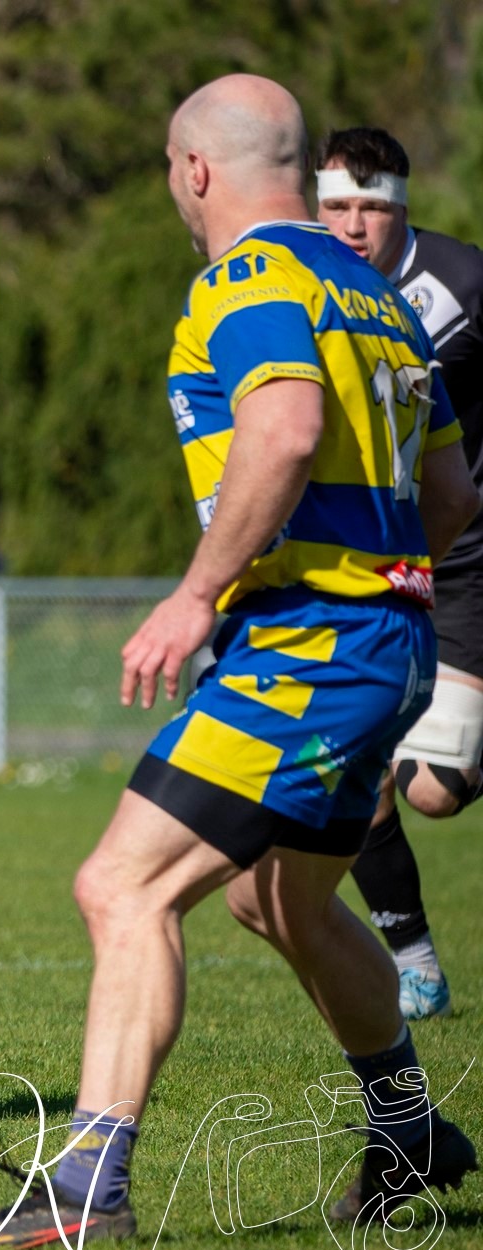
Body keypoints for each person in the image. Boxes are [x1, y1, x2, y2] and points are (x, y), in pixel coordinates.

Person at [0, 75, 477, 1250]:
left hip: (310, 649)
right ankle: (410, 1132)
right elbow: (450, 494)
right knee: (279, 896)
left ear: (193, 171)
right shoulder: (376, 297)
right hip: (388, 637)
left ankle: (87, 1183)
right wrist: (373, 581)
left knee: (120, 887)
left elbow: (279, 427)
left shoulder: (249, 279)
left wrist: (196, 595)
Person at [318, 126, 483, 1022]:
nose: (353, 224)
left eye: (372, 206)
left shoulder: (464, 282)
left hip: (468, 563)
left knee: (431, 787)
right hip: (371, 567)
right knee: (351, 766)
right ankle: (416, 964)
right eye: (336, 204)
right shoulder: (305, 289)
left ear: (402, 206)